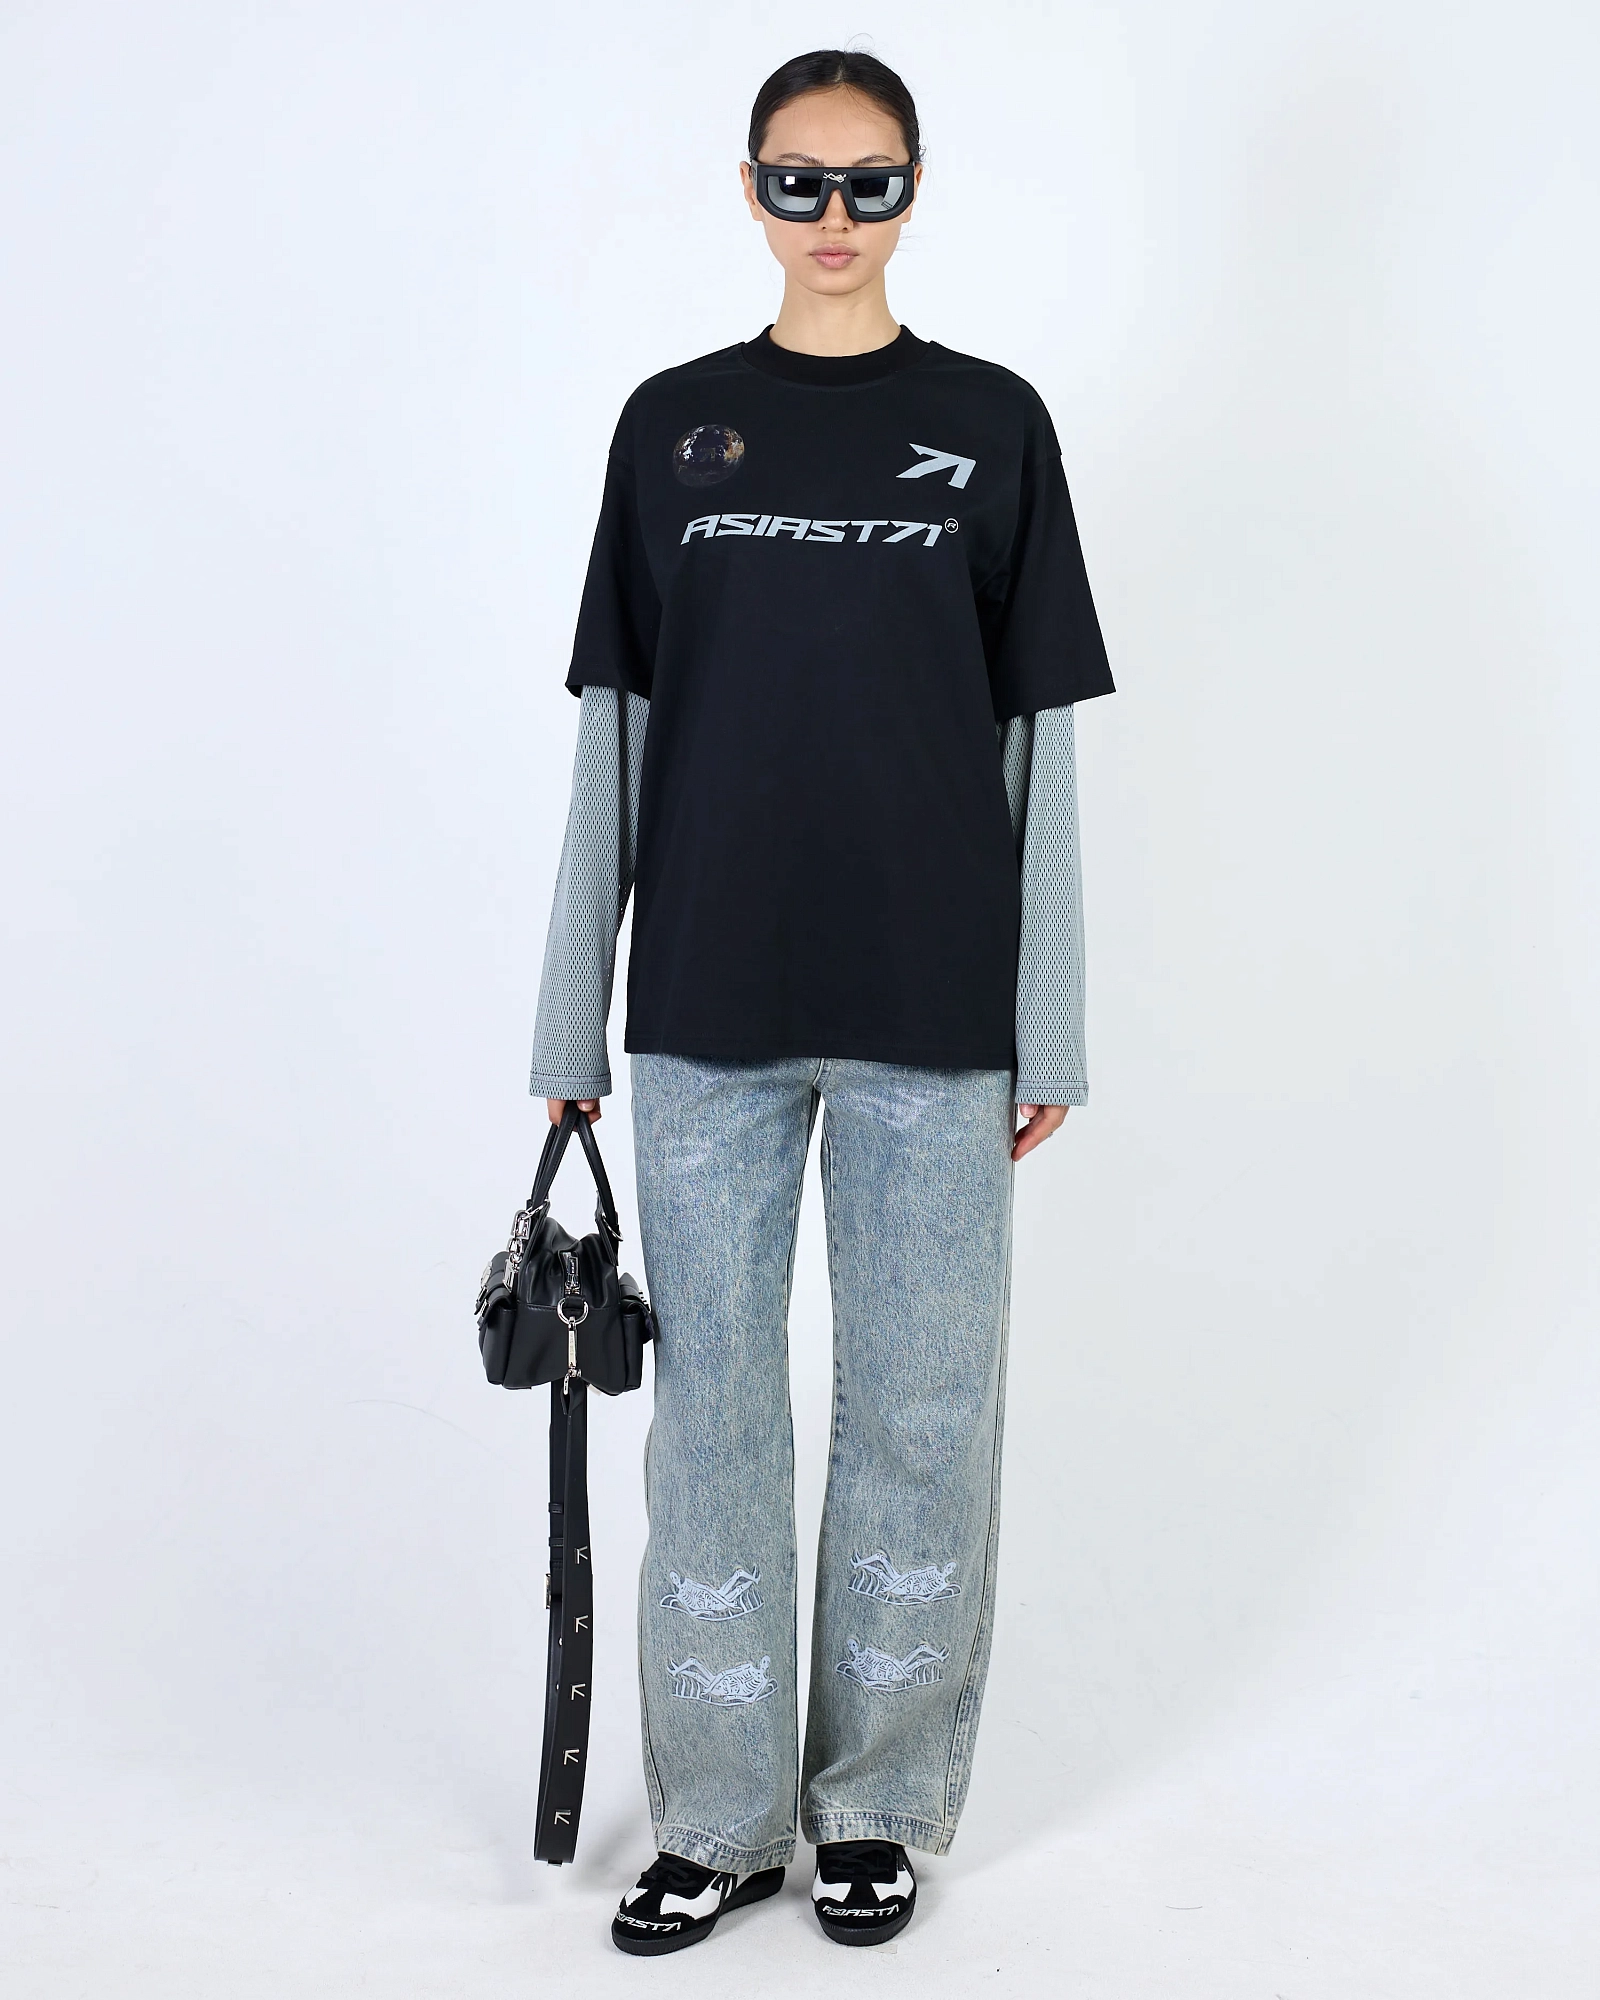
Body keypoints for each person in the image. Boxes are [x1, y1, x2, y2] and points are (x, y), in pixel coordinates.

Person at [528, 48, 1114, 1955]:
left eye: (870, 183)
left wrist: (1050, 1022)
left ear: (917, 190)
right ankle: (718, 1819)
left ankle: (875, 1803)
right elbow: (615, 740)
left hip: (938, 1012)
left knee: (923, 1410)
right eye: (801, 182)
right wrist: (565, 1030)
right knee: (712, 1415)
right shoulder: (670, 428)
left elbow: (1039, 754)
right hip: (703, 1005)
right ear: (752, 192)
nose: (835, 218)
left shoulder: (991, 425)